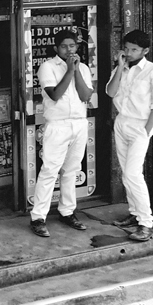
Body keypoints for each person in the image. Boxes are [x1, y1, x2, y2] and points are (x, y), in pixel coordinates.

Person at [30, 30, 94, 238]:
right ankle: (38, 217)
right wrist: (68, 70)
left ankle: (67, 211)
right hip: (57, 124)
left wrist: (75, 71)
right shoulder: (47, 67)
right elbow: (55, 95)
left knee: (71, 170)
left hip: (79, 123)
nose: (69, 50)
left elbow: (85, 95)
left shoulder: (82, 68)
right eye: (65, 46)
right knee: (49, 170)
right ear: (56, 48)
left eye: (73, 46)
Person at [105, 30, 153, 242]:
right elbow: (110, 92)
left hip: (141, 125)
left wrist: (147, 129)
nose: (129, 53)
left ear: (145, 50)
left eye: (134, 50)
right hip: (122, 122)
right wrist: (121, 70)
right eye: (127, 49)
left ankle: (146, 223)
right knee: (126, 172)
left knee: (133, 174)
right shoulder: (122, 68)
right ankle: (134, 213)